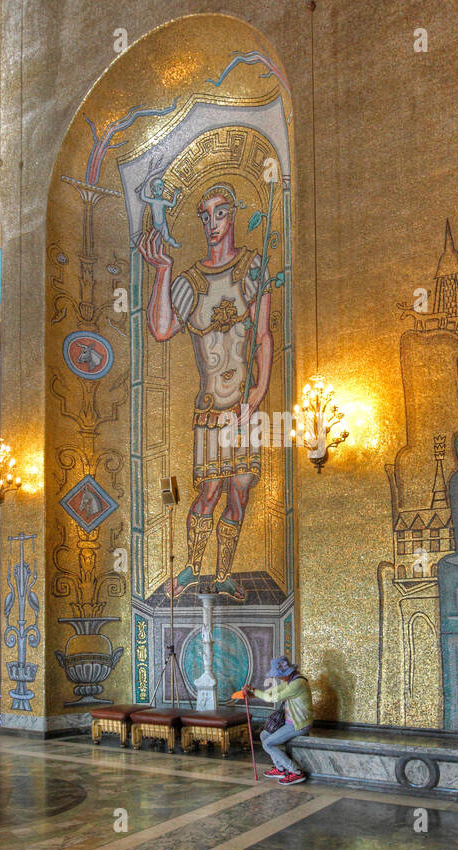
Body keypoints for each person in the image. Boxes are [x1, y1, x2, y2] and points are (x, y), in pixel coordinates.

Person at [139, 182, 273, 601]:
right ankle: (194, 570)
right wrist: (162, 271)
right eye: (204, 215)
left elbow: (264, 336)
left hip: (247, 410)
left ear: (232, 215)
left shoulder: (253, 266)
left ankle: (223, 574)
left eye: (218, 213)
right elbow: (161, 329)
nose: (211, 223)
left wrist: (260, 391)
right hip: (213, 408)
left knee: (241, 492)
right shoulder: (191, 281)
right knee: (209, 491)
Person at [247, 656, 313, 785]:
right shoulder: (289, 681)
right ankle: (281, 768)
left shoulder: (297, 683)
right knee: (264, 735)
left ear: (287, 672)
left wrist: (254, 691)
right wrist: (254, 693)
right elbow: (272, 692)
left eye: (280, 675)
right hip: (289, 723)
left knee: (268, 744)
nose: (279, 678)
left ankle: (296, 772)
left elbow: (274, 698)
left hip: (299, 724)